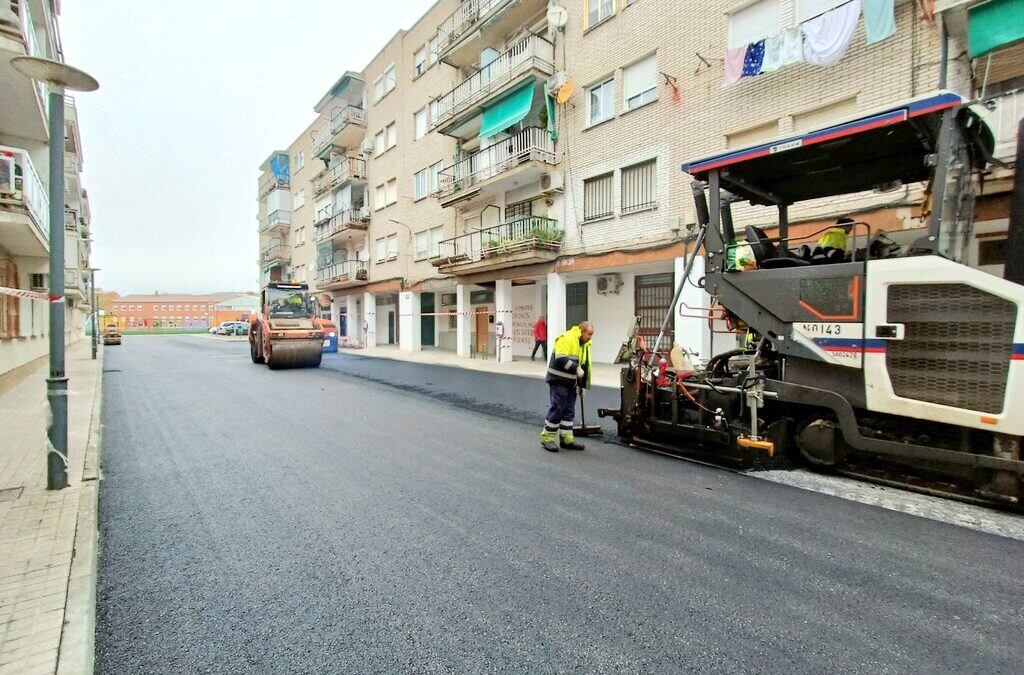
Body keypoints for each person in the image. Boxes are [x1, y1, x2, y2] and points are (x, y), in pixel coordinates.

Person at [541, 321, 594, 452]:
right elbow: (560, 358)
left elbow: (584, 366)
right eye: (589, 334)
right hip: (558, 379)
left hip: (571, 381)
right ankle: (547, 438)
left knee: (569, 410)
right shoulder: (566, 338)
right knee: (558, 407)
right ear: (581, 331)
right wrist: (576, 368)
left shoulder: (585, 344)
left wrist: (582, 386)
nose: (590, 337)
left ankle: (566, 439)